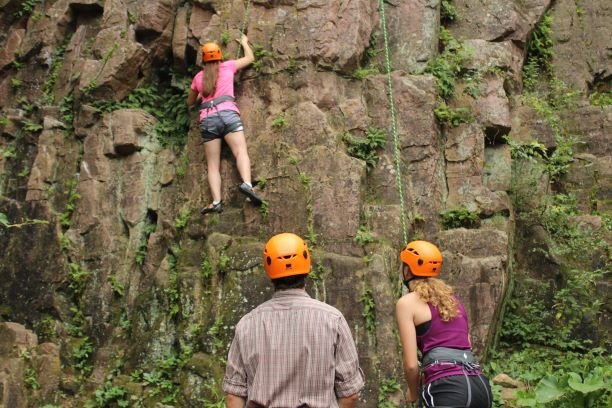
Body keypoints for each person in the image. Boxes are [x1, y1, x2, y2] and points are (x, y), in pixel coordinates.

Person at [223, 232, 365, 408]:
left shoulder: (247, 324)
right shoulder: (332, 319)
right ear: (306, 267)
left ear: (269, 271)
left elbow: (233, 396)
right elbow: (350, 395)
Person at [395, 240, 492, 408]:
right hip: (480, 387)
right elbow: (466, 343)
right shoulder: (453, 301)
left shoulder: (406, 303)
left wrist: (413, 393)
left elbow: (411, 366)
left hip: (449, 389)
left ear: (407, 270)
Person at [187, 35, 263, 214]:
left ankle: (216, 202)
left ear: (203, 58)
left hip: (208, 119)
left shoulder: (199, 78)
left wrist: (201, 94)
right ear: (219, 55)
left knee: (213, 164)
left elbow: (190, 102)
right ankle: (247, 184)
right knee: (240, 151)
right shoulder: (228, 66)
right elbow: (250, 58)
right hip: (228, 114)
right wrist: (244, 42)